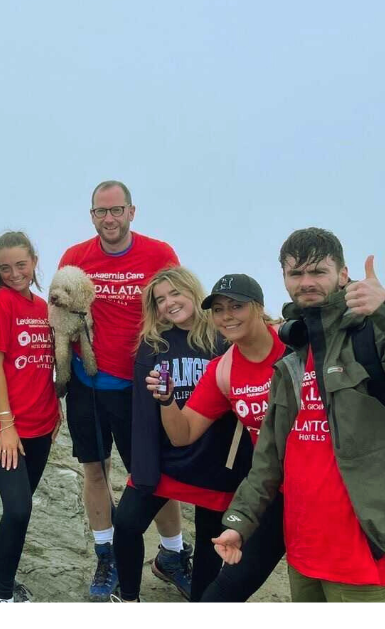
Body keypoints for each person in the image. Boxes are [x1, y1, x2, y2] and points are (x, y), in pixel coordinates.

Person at [214, 229, 385, 602]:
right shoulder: (292, 356)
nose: (306, 282)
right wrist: (238, 523)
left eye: (318, 272)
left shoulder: (374, 336)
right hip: (303, 549)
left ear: (343, 274)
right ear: (285, 280)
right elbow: (269, 458)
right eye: (296, 274)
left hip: (360, 550)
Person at [57, 180, 183, 599]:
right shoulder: (75, 258)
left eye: (116, 210)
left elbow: (179, 309)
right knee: (96, 470)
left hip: (142, 387)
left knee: (154, 475)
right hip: (87, 385)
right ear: (91, 215)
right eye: (100, 212)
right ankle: (106, 555)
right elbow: (59, 320)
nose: (108, 219)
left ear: (132, 212)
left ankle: (173, 554)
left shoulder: (159, 254)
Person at [155, 273, 290, 601]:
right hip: (273, 494)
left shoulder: (294, 346)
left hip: (320, 493)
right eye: (218, 309)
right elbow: (182, 434)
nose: (227, 315)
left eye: (237, 306)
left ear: (258, 308)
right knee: (221, 595)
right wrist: (167, 400)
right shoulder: (223, 369)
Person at [113, 266, 227, 601]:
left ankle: (202, 602)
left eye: (175, 293)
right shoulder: (153, 345)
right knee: (128, 523)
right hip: (166, 460)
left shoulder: (223, 339)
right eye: (160, 300)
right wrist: (144, 470)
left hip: (213, 463)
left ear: (192, 290)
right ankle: (129, 597)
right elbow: (143, 413)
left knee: (211, 541)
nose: (169, 303)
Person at [0, 236, 70, 601]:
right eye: (5, 268)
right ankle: (2, 598)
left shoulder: (44, 306)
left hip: (42, 422)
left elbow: (45, 361)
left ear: (34, 261)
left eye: (21, 265)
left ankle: (8, 584)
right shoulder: (0, 303)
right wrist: (6, 425)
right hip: (6, 426)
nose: (14, 273)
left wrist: (55, 406)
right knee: (17, 509)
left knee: (21, 510)